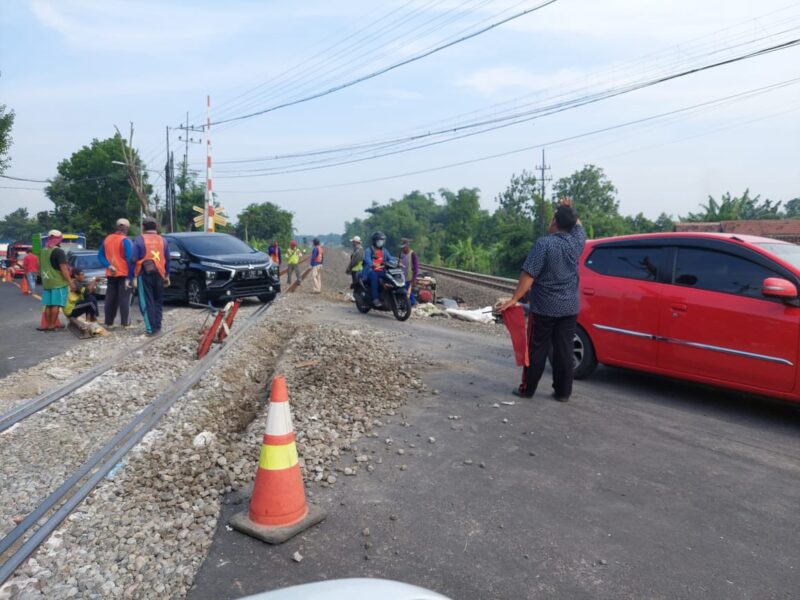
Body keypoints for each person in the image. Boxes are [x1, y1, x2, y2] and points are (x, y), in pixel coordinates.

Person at [498, 198, 586, 402]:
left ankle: (527, 389)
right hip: (570, 308)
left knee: (537, 349)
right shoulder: (577, 242)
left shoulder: (544, 244)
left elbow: (528, 275)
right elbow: (577, 225)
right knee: (564, 349)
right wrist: (568, 209)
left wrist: (514, 299)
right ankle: (563, 393)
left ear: (554, 221)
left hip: (545, 307)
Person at [132, 217, 170, 335]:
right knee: (158, 301)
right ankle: (157, 326)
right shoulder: (163, 240)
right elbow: (168, 259)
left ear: (143, 227)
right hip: (160, 274)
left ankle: (150, 328)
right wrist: (167, 275)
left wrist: (132, 275)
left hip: (144, 274)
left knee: (146, 301)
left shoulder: (139, 239)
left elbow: (133, 258)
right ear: (155, 227)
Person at [98, 218, 134, 329]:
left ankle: (109, 323)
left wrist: (108, 265)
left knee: (110, 299)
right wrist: (131, 277)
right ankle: (125, 323)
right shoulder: (126, 241)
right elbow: (130, 259)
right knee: (125, 299)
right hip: (124, 274)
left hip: (111, 274)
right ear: (127, 228)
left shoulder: (107, 239)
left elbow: (100, 256)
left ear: (117, 227)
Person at [38, 230, 74, 331]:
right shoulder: (58, 251)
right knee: (56, 304)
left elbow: (39, 267)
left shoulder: (43, 251)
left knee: (48, 304)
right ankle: (52, 325)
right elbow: (63, 268)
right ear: (59, 239)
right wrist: (70, 282)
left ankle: (48, 324)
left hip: (47, 282)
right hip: (58, 282)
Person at [362, 231, 393, 308]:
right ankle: (375, 298)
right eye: (380, 240)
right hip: (370, 271)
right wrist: (374, 264)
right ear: (375, 241)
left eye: (382, 240)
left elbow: (391, 258)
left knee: (390, 277)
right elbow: (367, 260)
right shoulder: (368, 250)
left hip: (381, 271)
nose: (381, 242)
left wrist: (397, 262)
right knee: (374, 277)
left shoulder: (384, 251)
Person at [399, 238, 419, 305]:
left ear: (407, 246)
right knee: (405, 291)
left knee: (408, 291)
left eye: (404, 247)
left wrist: (414, 278)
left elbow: (416, 267)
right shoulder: (402, 254)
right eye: (402, 248)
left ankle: (412, 303)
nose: (403, 249)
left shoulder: (412, 254)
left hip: (409, 277)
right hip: (402, 276)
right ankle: (408, 303)